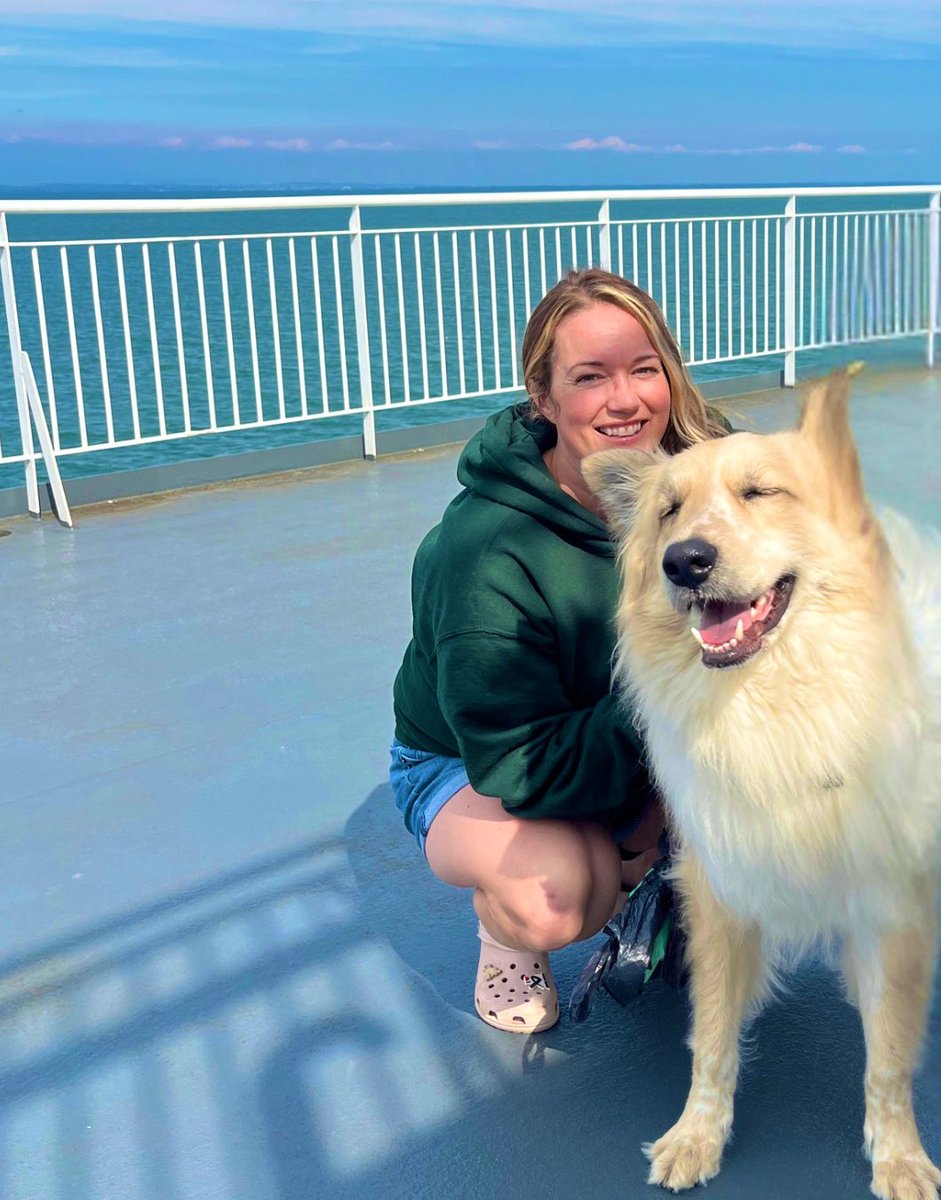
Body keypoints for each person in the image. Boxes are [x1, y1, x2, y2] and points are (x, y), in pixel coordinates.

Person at [390, 268, 729, 1033]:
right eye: (589, 377)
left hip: (629, 729)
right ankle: (508, 935)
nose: (625, 400)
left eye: (644, 369)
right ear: (542, 398)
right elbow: (518, 761)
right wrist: (650, 820)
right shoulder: (483, 553)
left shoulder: (709, 468)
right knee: (562, 893)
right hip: (478, 763)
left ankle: (667, 874)